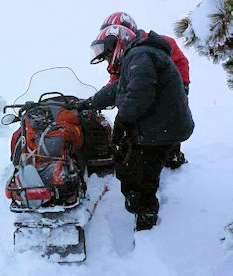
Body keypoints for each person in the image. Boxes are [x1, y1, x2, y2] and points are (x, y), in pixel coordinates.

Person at [79, 25, 194, 231]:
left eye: (107, 55)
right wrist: (89, 103)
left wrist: (123, 121)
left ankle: (146, 219)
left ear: (118, 43)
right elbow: (117, 88)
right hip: (160, 124)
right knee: (130, 163)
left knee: (141, 172)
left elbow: (139, 96)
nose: (108, 60)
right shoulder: (138, 56)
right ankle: (138, 200)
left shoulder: (140, 55)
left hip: (160, 129)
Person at [100, 11, 190, 169]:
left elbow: (181, 62)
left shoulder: (156, 43)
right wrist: (104, 94)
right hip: (140, 94)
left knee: (166, 123)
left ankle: (171, 156)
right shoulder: (124, 53)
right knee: (135, 124)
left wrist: (182, 85)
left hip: (163, 93)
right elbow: (117, 79)